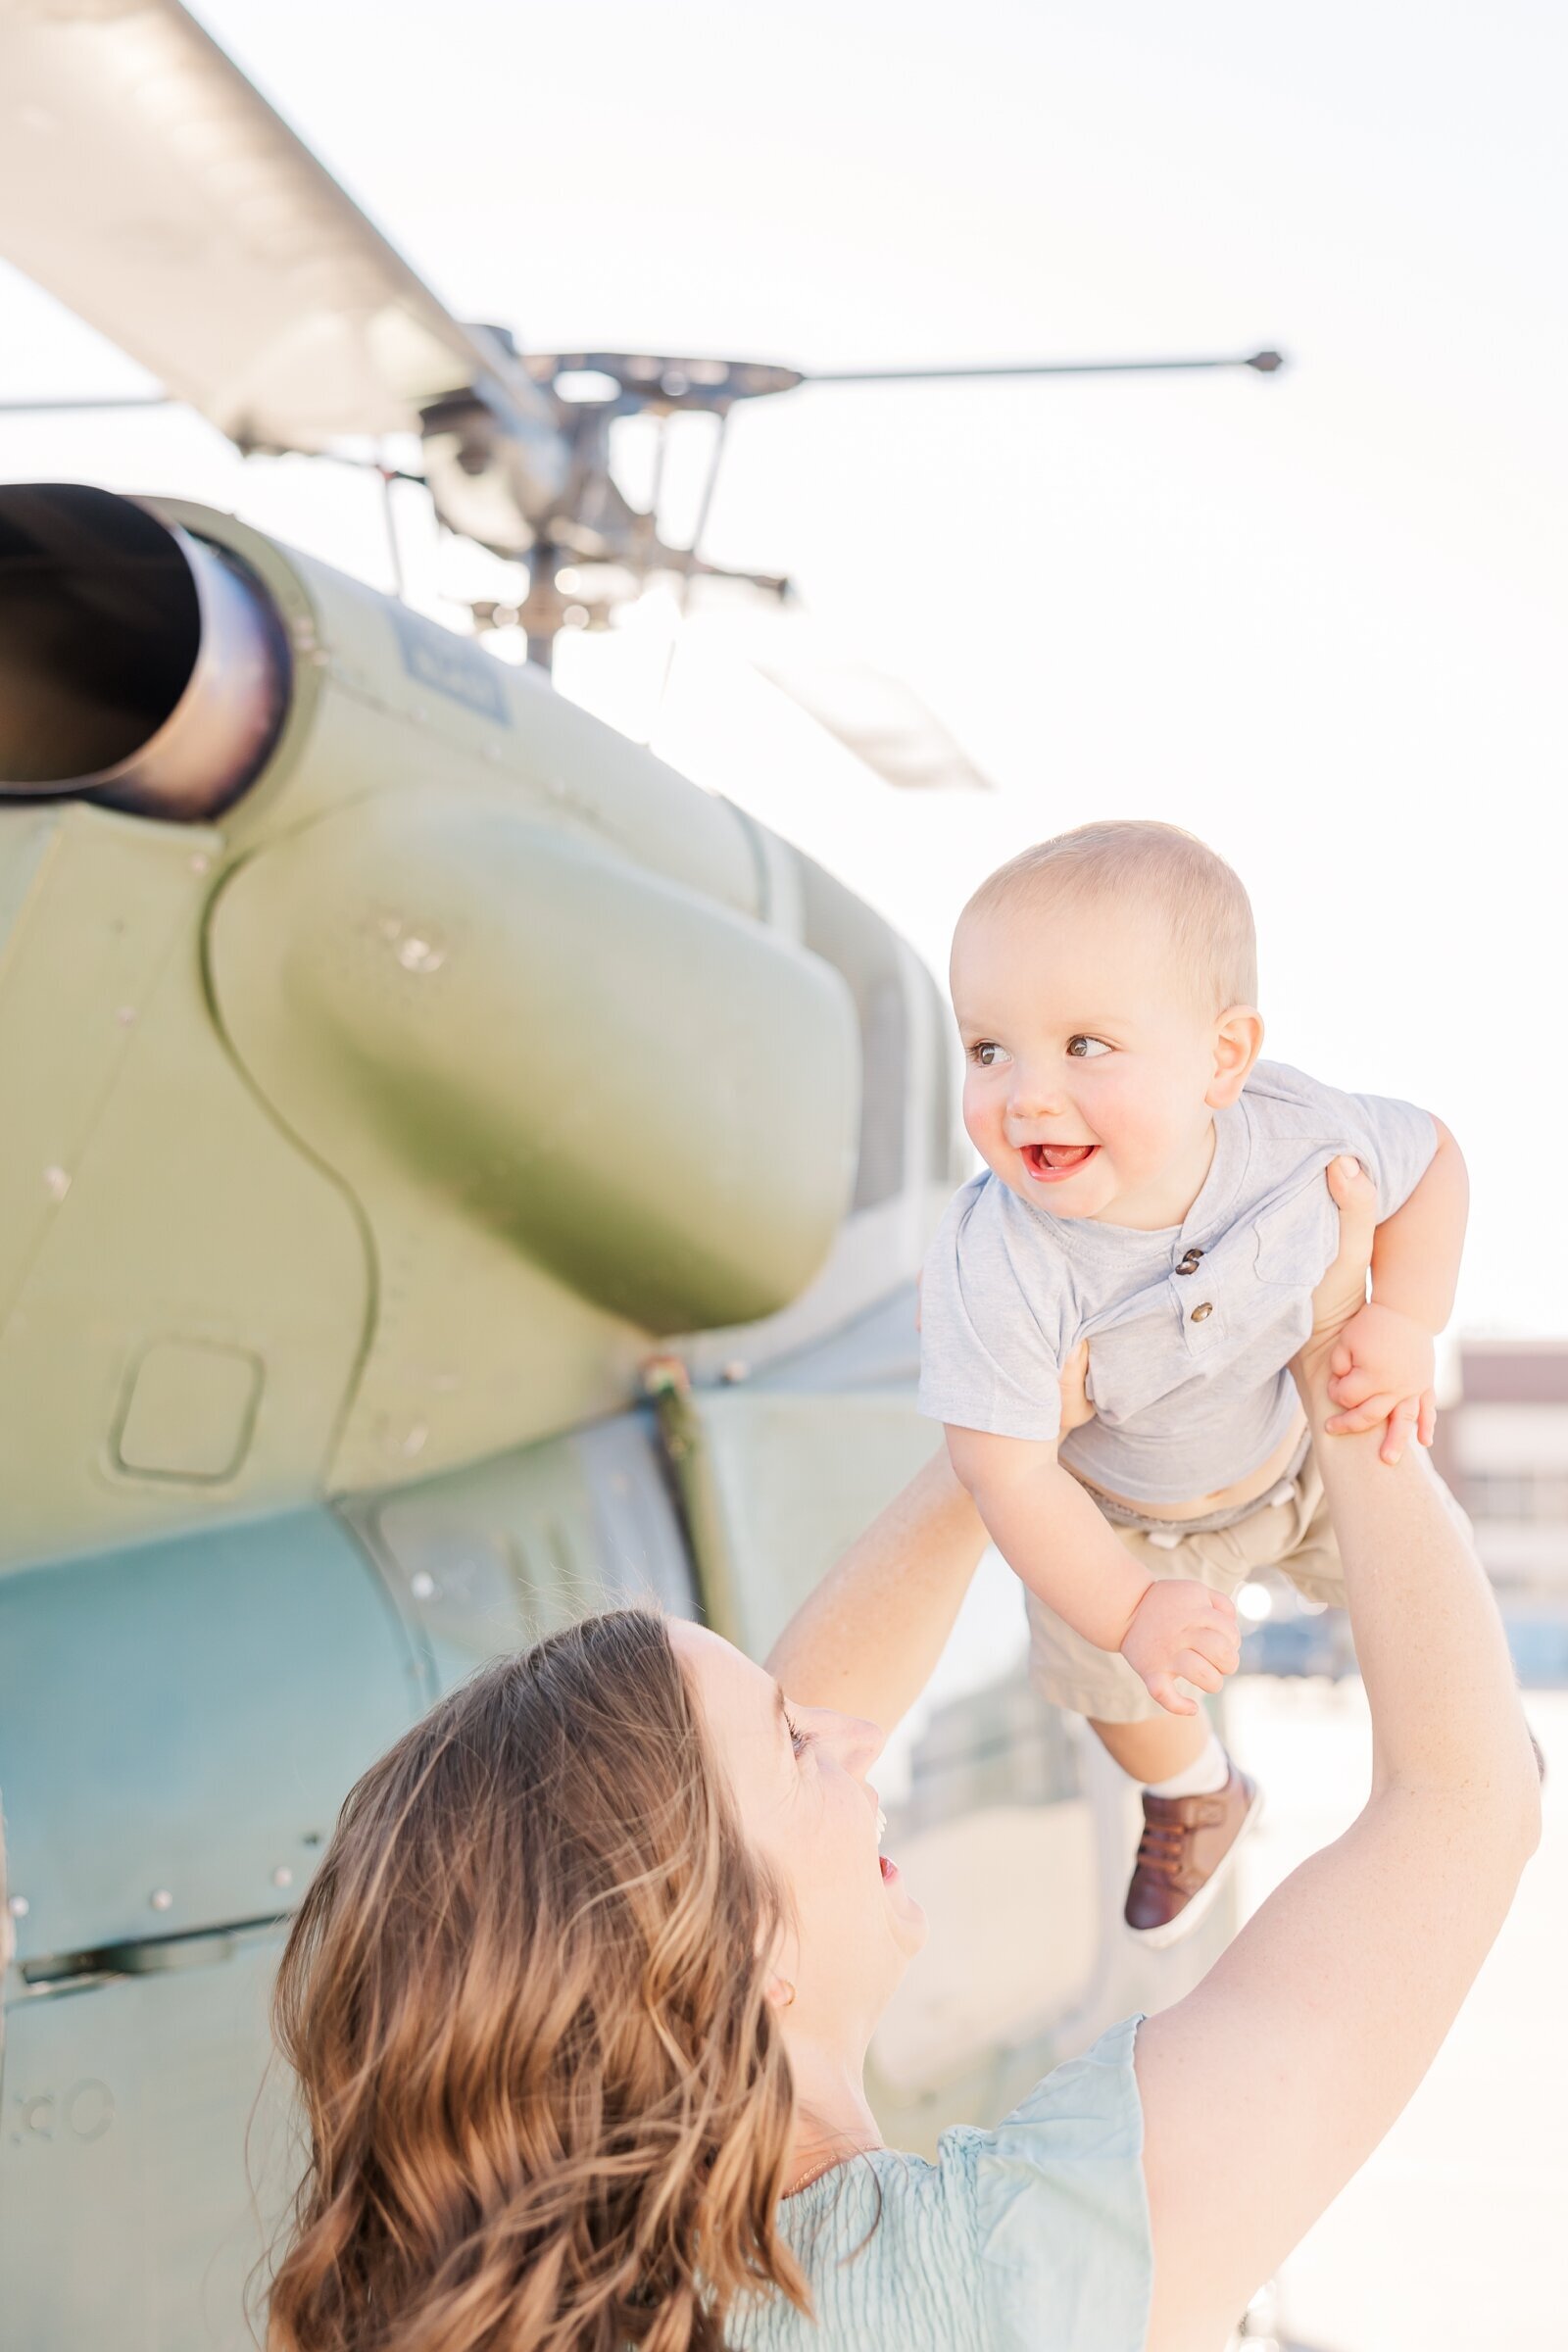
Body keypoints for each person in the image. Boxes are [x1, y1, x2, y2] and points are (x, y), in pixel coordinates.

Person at [264, 1159, 1539, 2352]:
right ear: (730, 1953)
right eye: (794, 1745)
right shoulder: (977, 2283)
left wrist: (998, 1448)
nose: (855, 1737)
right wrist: (1339, 1359)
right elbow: (1467, 1803)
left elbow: (747, 1798)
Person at [918, 820, 1471, 1940]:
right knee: (1115, 1692)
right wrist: (1131, 1609)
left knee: (1414, 1577)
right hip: (1121, 1528)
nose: (1025, 1095)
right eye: (988, 1051)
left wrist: (1407, 1320)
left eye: (1084, 1045)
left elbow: (1436, 1162)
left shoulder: (1296, 1133)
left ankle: (1469, 1735)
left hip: (1292, 1454)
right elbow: (1004, 1473)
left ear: (1223, 1059)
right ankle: (1194, 1792)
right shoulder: (996, 1256)